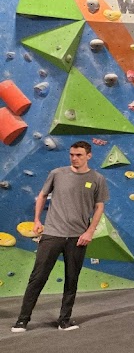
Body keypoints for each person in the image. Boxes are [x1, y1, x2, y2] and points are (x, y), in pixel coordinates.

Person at [12, 141, 109, 332]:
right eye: (72, 154)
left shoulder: (97, 179)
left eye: (79, 155)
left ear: (89, 156)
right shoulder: (57, 174)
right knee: (37, 278)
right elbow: (42, 195)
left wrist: (89, 231)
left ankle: (64, 321)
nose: (74, 158)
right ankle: (22, 320)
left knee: (71, 280)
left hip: (78, 238)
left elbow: (99, 207)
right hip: (52, 234)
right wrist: (37, 220)